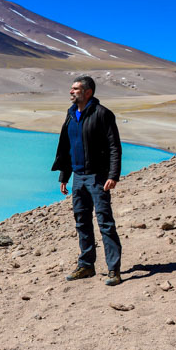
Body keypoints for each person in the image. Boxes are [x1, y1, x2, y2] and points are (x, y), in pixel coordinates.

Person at [51, 75, 124, 286]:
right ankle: (86, 265)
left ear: (88, 92)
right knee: (82, 222)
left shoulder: (102, 114)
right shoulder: (71, 114)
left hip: (98, 177)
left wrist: (112, 176)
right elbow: (66, 146)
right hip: (78, 178)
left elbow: (114, 147)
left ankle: (113, 270)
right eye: (71, 88)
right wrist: (64, 175)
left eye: (75, 89)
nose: (71, 92)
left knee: (105, 223)